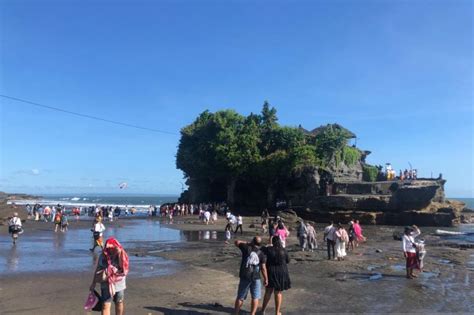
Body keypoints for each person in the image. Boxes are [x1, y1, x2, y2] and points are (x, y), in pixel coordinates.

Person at [90, 237, 129, 315]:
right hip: (105, 283)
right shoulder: (103, 256)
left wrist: (119, 252)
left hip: (119, 283)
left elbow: (124, 269)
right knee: (105, 304)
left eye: (112, 248)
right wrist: (93, 283)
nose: (110, 250)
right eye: (108, 248)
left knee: (119, 302)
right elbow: (98, 269)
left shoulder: (122, 254)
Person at [234, 236, 268, 315]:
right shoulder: (262, 254)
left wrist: (248, 243)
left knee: (240, 296)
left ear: (253, 241)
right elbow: (263, 268)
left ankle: (236, 313)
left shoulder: (246, 248)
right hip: (256, 276)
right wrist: (266, 278)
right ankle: (252, 314)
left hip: (245, 275)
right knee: (255, 296)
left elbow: (237, 242)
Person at [261, 236, 291, 315]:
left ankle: (263, 310)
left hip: (271, 271)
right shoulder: (284, 250)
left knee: (268, 291)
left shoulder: (268, 250)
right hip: (281, 271)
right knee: (278, 292)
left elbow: (262, 249)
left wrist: (269, 244)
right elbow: (288, 260)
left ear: (273, 242)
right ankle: (277, 312)